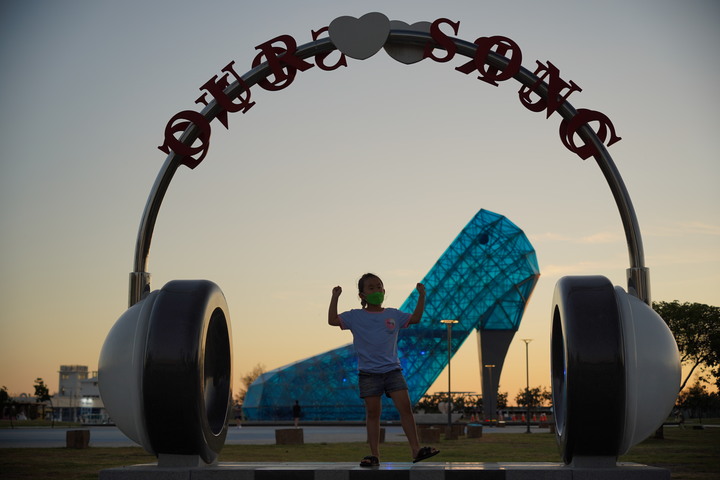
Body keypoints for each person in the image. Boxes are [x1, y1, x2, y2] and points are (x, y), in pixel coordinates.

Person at [328, 273, 439, 467]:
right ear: (362, 295)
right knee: (373, 413)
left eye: (379, 286)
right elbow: (332, 320)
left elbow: (416, 318)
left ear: (384, 291)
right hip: (369, 373)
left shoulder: (393, 314)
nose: (376, 290)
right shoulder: (355, 316)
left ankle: (416, 450)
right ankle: (374, 455)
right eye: (371, 288)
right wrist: (335, 297)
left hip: (392, 371)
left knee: (405, 409)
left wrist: (422, 296)